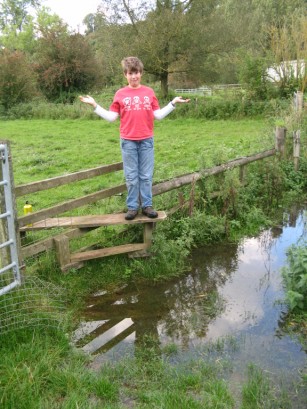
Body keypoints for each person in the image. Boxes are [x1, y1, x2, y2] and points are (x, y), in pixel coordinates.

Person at [79, 56, 190, 220]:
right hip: (128, 141)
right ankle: (132, 207)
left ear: (141, 73)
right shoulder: (120, 94)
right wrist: (95, 105)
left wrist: (172, 103)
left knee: (146, 176)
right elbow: (111, 117)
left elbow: (157, 115)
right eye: (130, 73)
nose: (134, 76)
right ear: (125, 74)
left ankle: (147, 206)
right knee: (131, 177)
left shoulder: (149, 92)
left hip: (146, 140)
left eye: (136, 72)